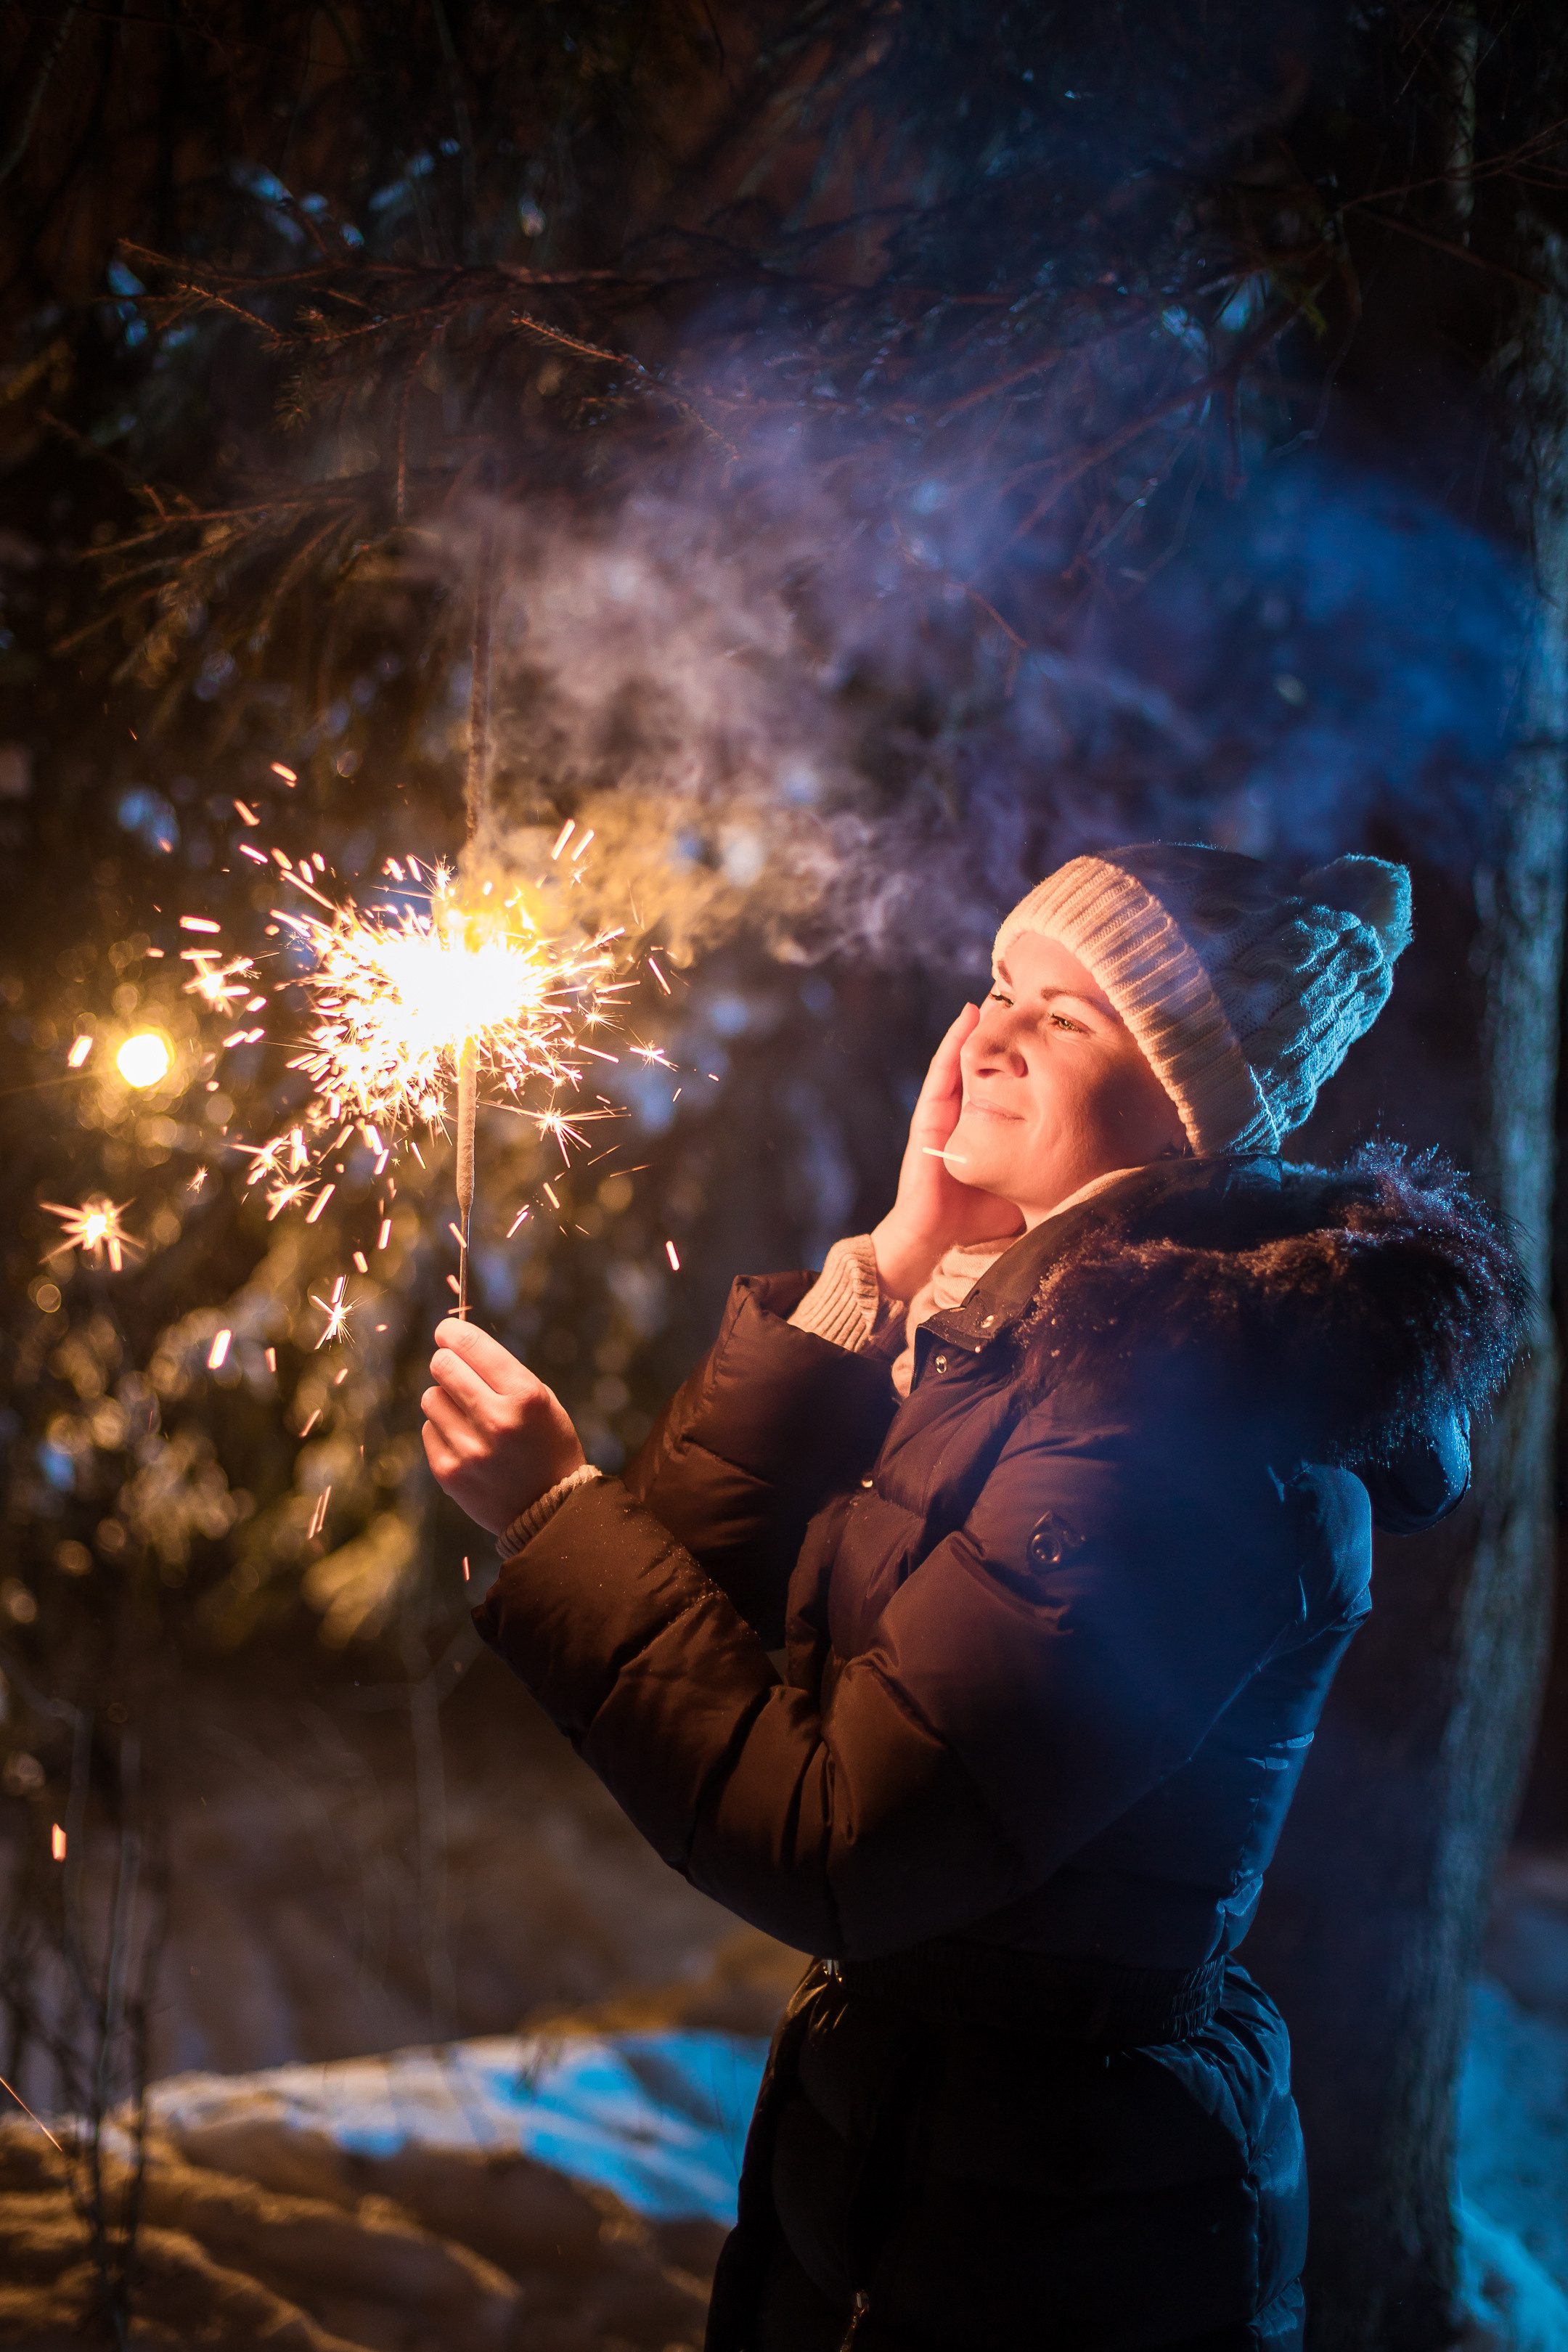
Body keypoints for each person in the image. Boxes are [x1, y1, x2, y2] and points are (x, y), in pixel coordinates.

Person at [420, 841, 1527, 2352]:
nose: (992, 1035)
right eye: (1004, 988)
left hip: (1054, 2218)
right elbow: (705, 1614)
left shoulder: (1169, 1430)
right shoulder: (1027, 1338)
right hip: (939, 2164)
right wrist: (883, 1264)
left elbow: (837, 1837)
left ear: (1190, 1105)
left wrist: (554, 1513)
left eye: (1071, 1017)